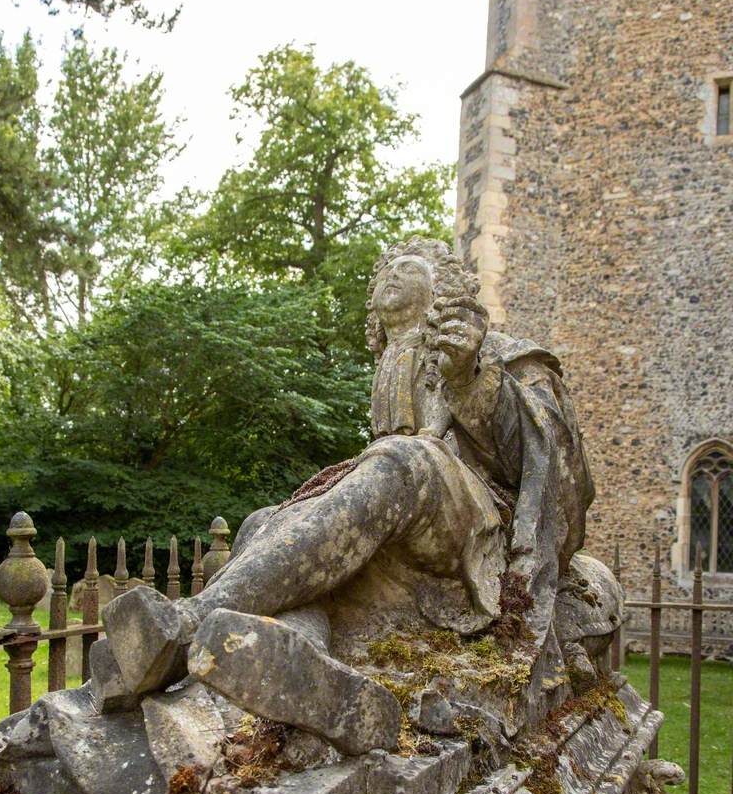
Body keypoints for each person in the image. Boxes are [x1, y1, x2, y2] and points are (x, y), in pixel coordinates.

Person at [100, 238, 597, 704]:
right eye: (383, 273)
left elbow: (553, 466)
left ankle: (188, 625)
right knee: (264, 522)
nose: (389, 277)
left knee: (404, 460)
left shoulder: (498, 352)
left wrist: (470, 379)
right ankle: (294, 649)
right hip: (408, 506)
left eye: (406, 270)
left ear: (442, 290)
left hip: (480, 521)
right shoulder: (390, 366)